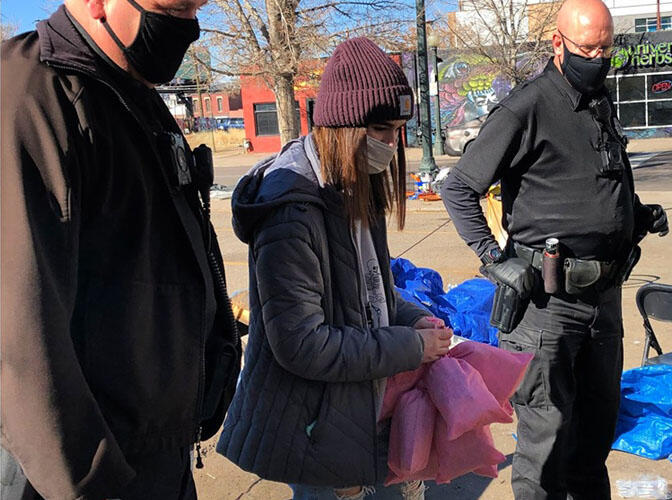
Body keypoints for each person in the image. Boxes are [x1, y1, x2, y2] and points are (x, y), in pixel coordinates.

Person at [0, 0, 242, 499]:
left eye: (194, 8)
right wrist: (91, 481)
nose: (188, 29)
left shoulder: (131, 94)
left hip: (155, 457)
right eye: (172, 9)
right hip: (83, 474)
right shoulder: (30, 98)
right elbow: (18, 334)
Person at [441, 0, 669, 498]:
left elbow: (599, 178)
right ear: (558, 43)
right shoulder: (527, 107)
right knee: (544, 446)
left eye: (607, 47)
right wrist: (493, 258)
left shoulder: (599, 100)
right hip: (547, 307)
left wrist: (635, 213)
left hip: (603, 300)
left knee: (593, 438)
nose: (600, 57)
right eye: (589, 48)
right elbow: (458, 188)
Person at [215, 37, 453, 500]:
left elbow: (372, 289)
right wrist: (410, 346)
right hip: (308, 426)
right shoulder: (292, 212)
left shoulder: (353, 183)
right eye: (381, 128)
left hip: (347, 412)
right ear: (342, 125)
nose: (391, 144)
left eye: (399, 129)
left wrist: (412, 318)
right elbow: (302, 344)